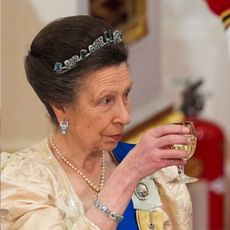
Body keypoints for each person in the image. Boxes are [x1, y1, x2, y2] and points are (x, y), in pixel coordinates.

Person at [1, 15, 193, 230]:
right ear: (61, 107)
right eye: (106, 101)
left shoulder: (151, 171)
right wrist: (128, 174)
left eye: (126, 94)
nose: (125, 116)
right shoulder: (23, 184)